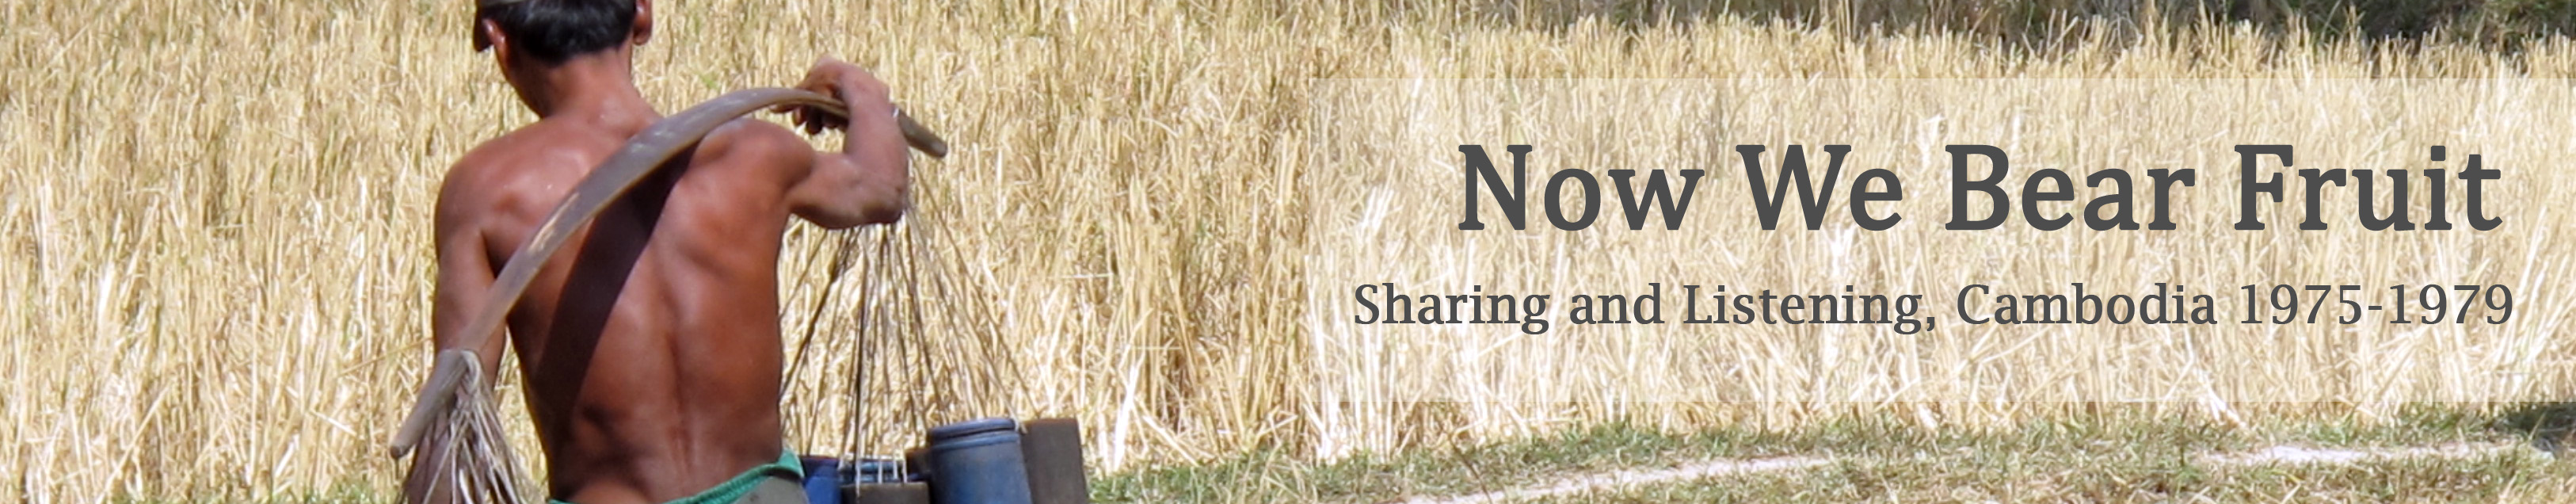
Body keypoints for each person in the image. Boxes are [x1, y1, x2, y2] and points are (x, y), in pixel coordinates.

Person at [406, 0, 913, 502]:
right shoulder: (754, 153)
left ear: (499, 39)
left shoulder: (489, 189)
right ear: (642, 15)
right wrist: (862, 93)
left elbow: (456, 414)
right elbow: (879, 189)